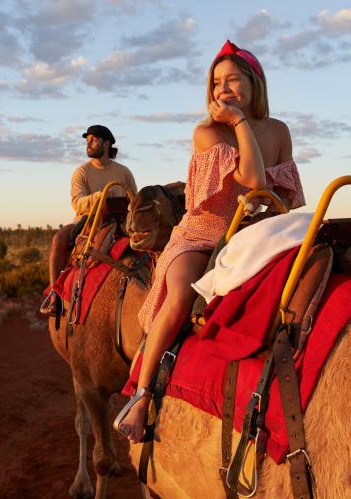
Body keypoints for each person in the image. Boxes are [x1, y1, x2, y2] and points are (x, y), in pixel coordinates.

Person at [115, 40, 305, 443]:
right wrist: (238, 122)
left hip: (254, 234)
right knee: (181, 294)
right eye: (217, 82)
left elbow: (289, 198)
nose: (224, 89)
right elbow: (253, 180)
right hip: (204, 235)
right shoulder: (207, 132)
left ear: (255, 83)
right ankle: (142, 394)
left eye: (233, 80)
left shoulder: (279, 131)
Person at [41, 124, 138, 315]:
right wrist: (101, 197)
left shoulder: (124, 172)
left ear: (107, 143)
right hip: (87, 220)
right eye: (87, 141)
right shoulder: (82, 172)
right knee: (59, 238)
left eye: (93, 140)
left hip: (120, 219)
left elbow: (134, 199)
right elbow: (77, 203)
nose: (88, 144)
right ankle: (55, 296)